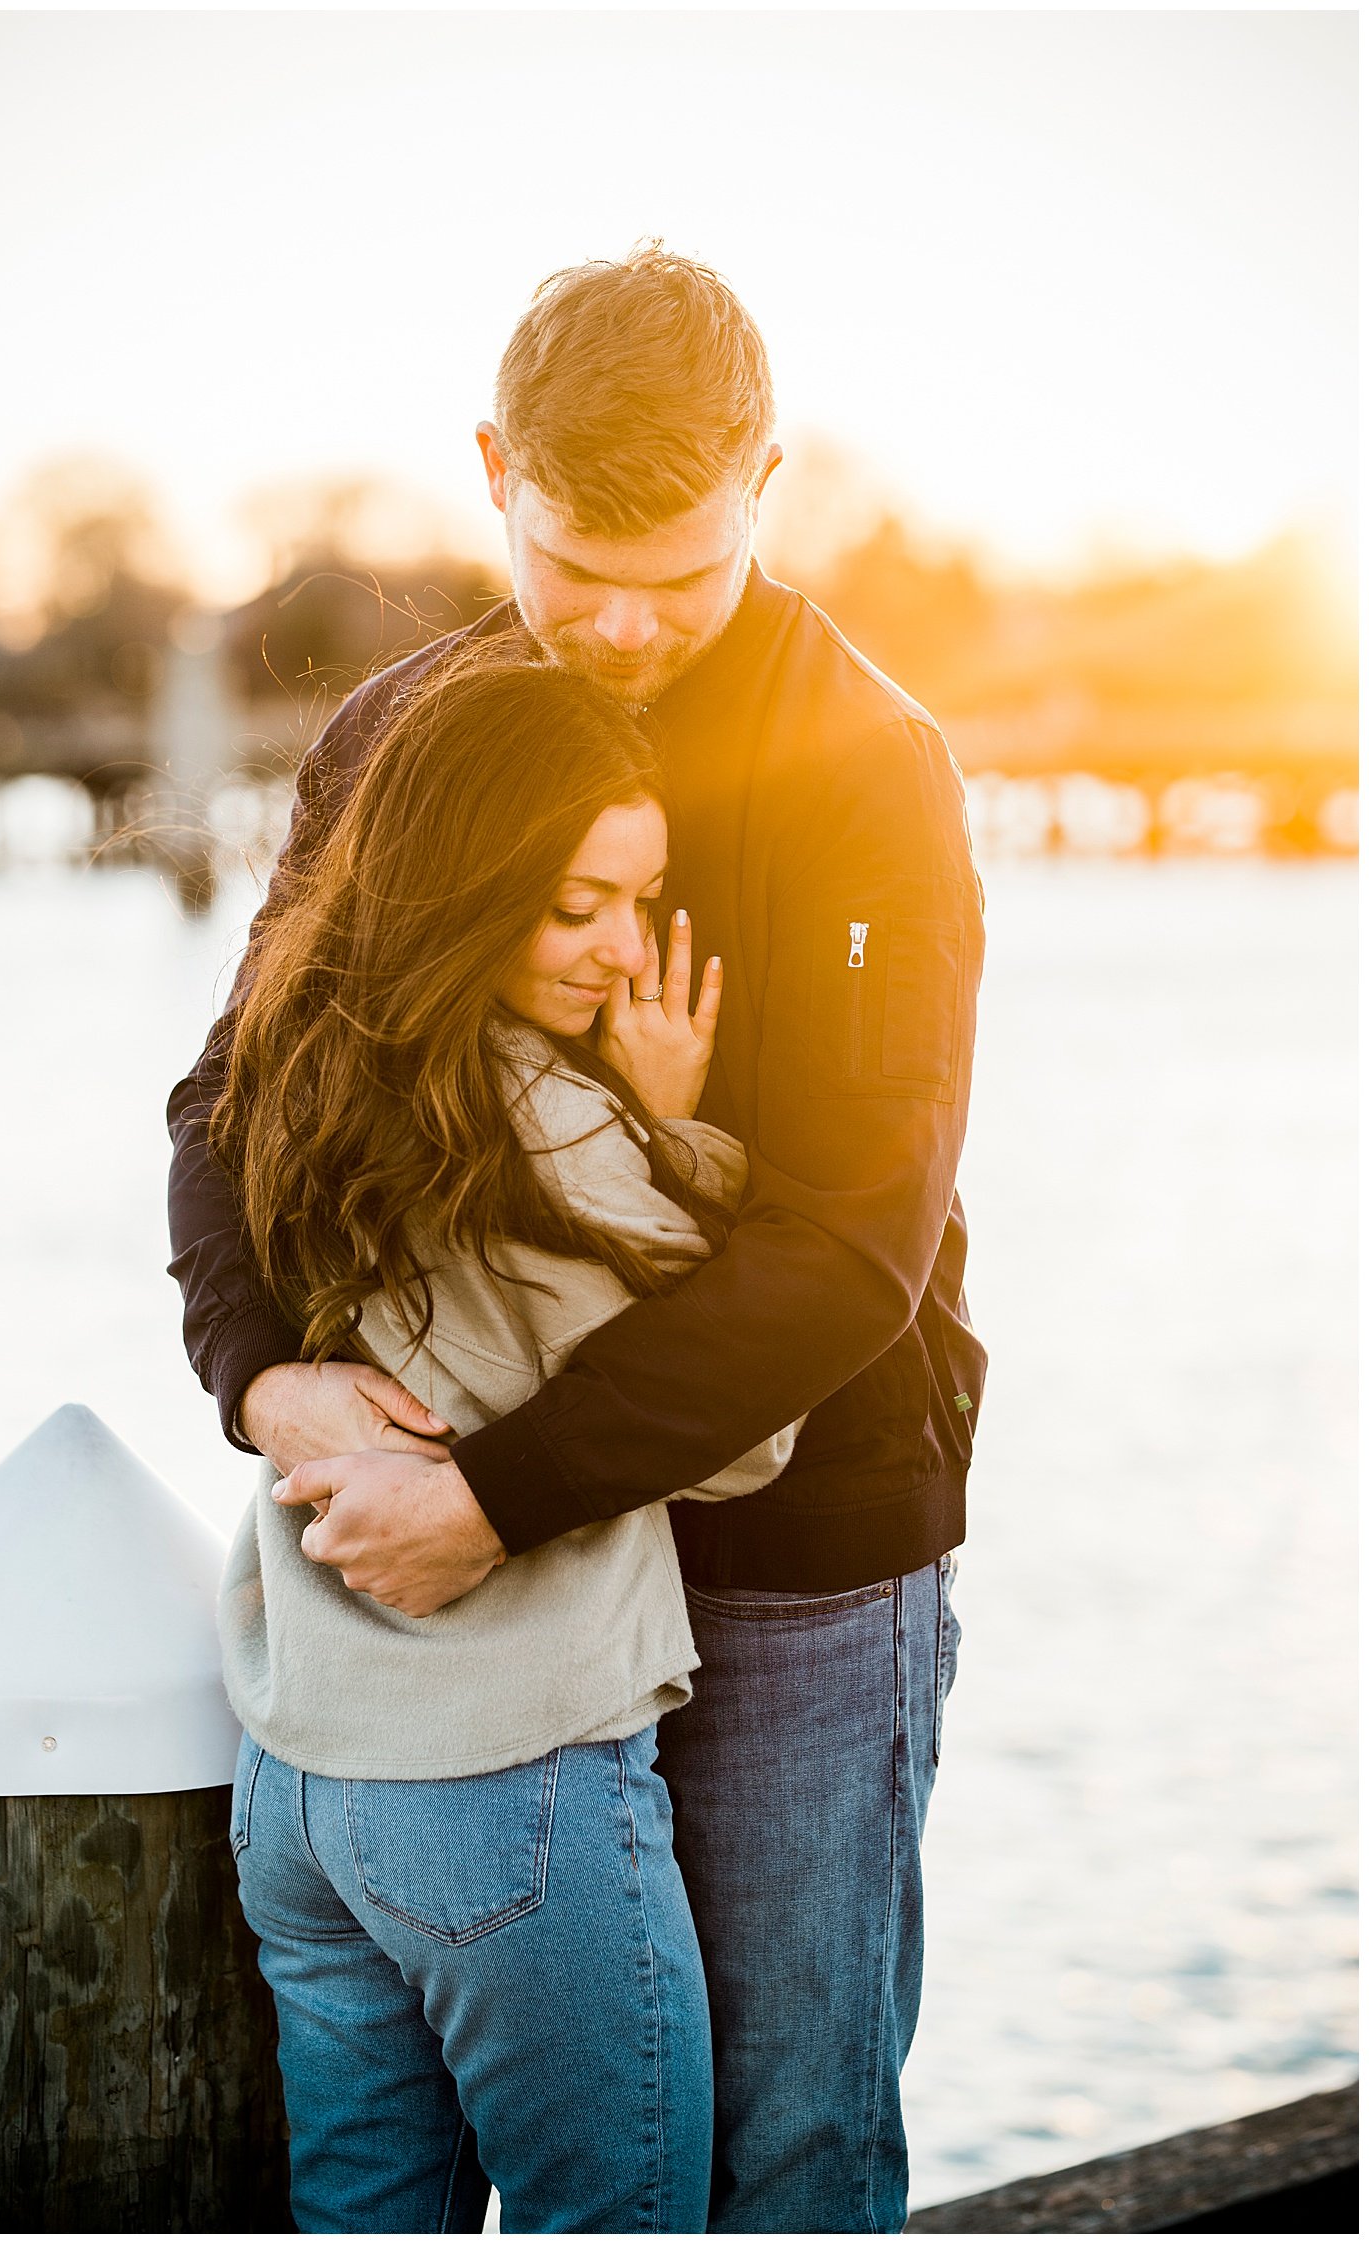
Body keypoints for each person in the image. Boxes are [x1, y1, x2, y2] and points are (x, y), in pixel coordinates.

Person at [169, 243, 987, 2234]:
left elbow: (847, 1246)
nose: (620, 627)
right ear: (493, 473)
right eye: (572, 567)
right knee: (425, 2153)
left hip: (796, 1572)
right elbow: (235, 1105)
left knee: (787, 2151)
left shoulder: (872, 776)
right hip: (477, 1612)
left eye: (677, 577)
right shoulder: (399, 740)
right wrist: (266, 1375)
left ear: (765, 485)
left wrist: (501, 1491)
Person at [211, 649, 802, 2232]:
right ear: (469, 890)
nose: (623, 950)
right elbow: (748, 1433)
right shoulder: (553, 1117)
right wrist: (668, 1122)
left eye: (642, 899)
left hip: (302, 1782)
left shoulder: (291, 1059)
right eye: (573, 909)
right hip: (506, 1783)